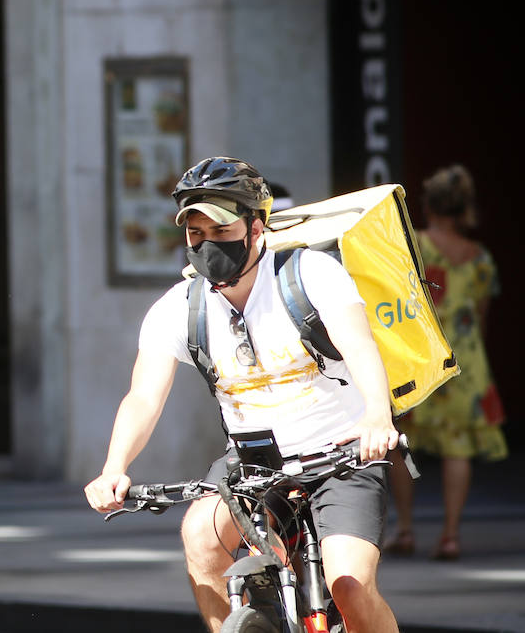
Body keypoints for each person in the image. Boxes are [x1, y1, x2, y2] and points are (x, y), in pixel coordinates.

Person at [84, 156, 403, 633]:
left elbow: (360, 347)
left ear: (257, 228)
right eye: (195, 235)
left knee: (350, 587)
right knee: (199, 536)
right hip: (253, 465)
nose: (207, 245)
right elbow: (143, 396)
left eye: (221, 231)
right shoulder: (180, 308)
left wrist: (378, 417)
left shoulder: (310, 275)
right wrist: (114, 468)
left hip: (343, 455)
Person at [384, 164, 508, 561]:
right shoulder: (481, 257)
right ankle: (451, 535)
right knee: (458, 450)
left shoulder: (416, 244)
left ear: (429, 204)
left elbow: (399, 303)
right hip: (466, 362)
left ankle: (404, 530)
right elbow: (481, 316)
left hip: (422, 359)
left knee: (402, 446)